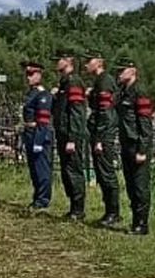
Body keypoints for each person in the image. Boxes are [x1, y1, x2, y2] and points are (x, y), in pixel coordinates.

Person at [114, 58, 154, 235]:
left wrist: (142, 149)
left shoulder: (139, 91)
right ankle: (135, 220)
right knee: (130, 185)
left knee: (140, 186)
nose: (119, 74)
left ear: (132, 71)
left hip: (137, 144)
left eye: (122, 70)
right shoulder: (123, 91)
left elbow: (145, 124)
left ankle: (142, 223)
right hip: (126, 142)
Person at [84, 50, 121, 226]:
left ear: (99, 62)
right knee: (101, 172)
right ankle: (109, 210)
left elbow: (105, 112)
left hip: (104, 133)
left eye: (88, 61)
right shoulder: (99, 82)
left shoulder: (105, 81)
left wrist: (99, 138)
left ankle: (113, 212)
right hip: (99, 131)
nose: (85, 64)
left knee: (106, 173)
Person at [53, 49, 89, 221]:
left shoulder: (73, 82)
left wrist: (72, 138)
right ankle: (73, 207)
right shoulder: (64, 82)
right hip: (62, 133)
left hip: (70, 135)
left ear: (68, 61)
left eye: (59, 59)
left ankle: (78, 209)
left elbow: (76, 113)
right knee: (67, 171)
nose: (56, 63)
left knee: (73, 171)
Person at [20, 61, 53, 210]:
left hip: (38, 133)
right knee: (34, 169)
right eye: (27, 74)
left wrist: (38, 141)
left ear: (39, 75)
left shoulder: (43, 94)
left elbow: (43, 120)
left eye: (31, 74)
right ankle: (37, 197)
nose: (28, 77)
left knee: (42, 169)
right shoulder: (31, 93)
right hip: (29, 132)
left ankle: (42, 199)